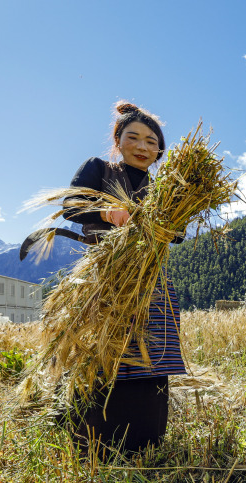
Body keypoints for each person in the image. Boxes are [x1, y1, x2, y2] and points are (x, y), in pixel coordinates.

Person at [60, 102, 186, 453]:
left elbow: (178, 234)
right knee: (102, 353)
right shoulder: (99, 168)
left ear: (159, 151)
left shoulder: (163, 189)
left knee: (152, 354)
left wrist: (171, 219)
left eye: (151, 141)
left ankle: (146, 439)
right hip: (105, 277)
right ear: (118, 140)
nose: (142, 146)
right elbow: (70, 206)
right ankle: (97, 441)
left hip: (151, 282)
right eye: (133, 137)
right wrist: (107, 213)